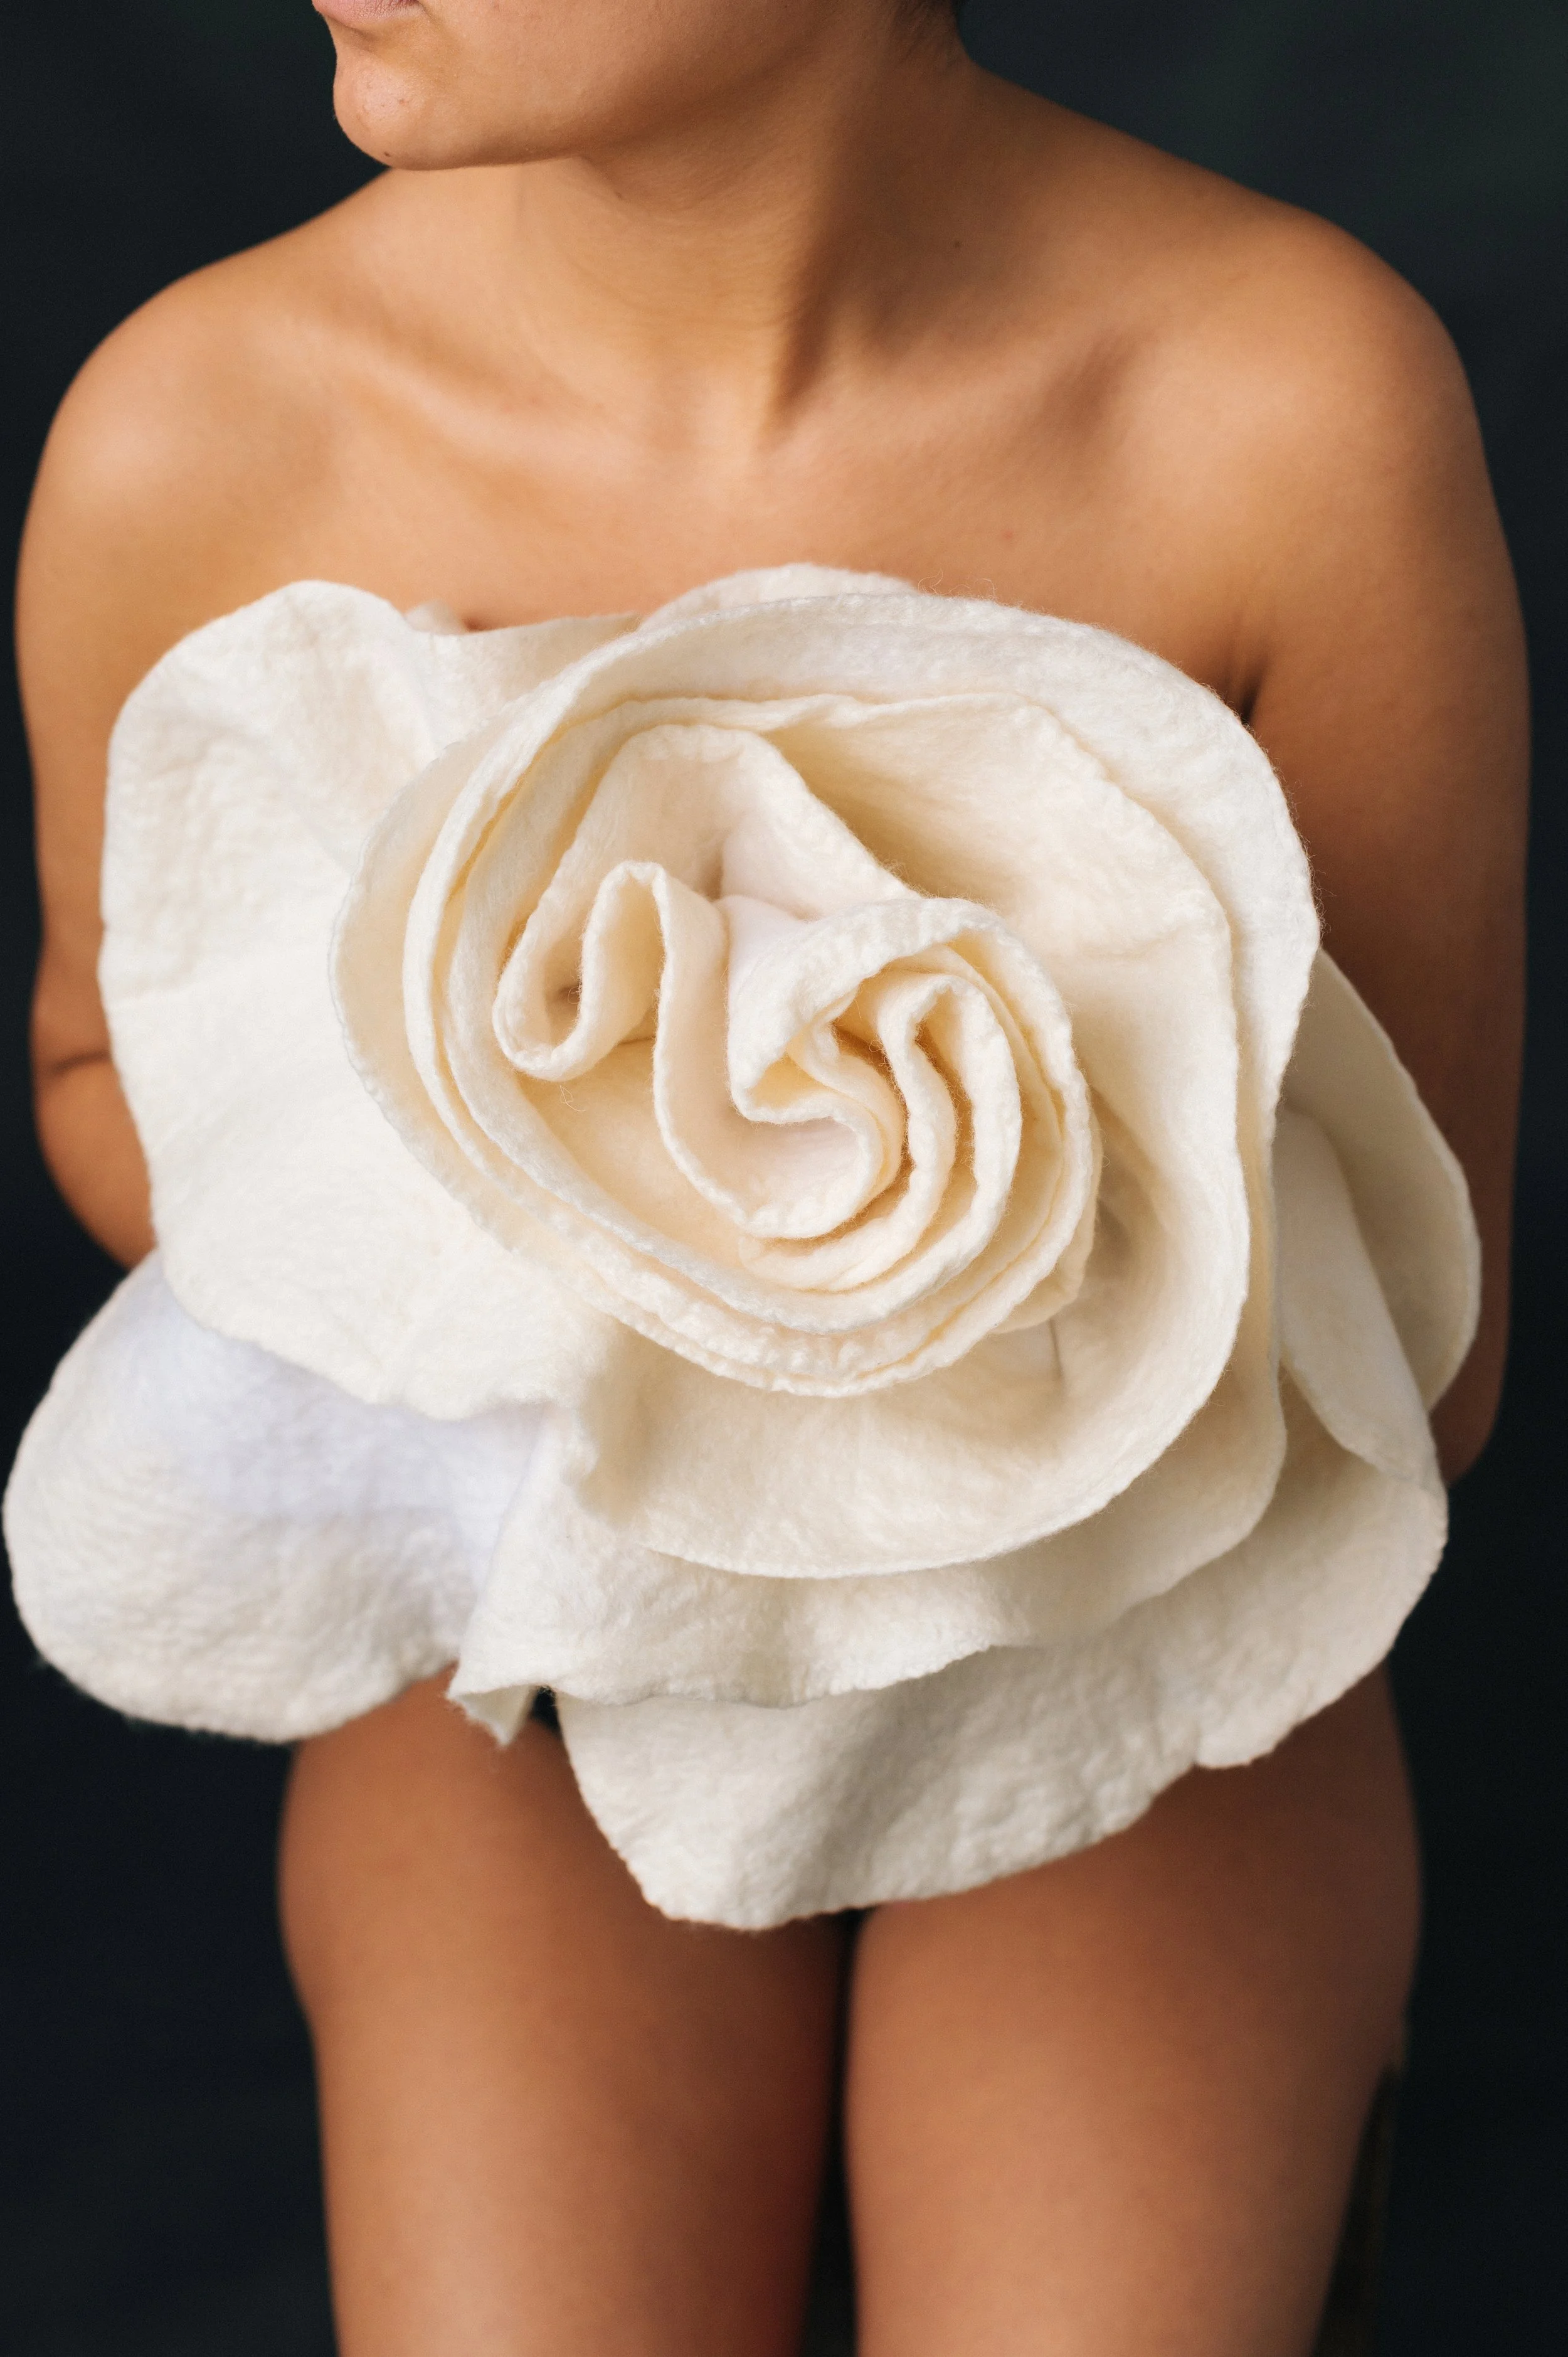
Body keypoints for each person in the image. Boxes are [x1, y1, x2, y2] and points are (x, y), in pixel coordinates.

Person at [14, 3, 1525, 2351]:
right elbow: (102, 1068)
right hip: (510, 1657)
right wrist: (588, 1273)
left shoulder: (1280, 411)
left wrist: (959, 1270)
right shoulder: (202, 435)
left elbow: (1421, 1353)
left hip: (1126, 1609)